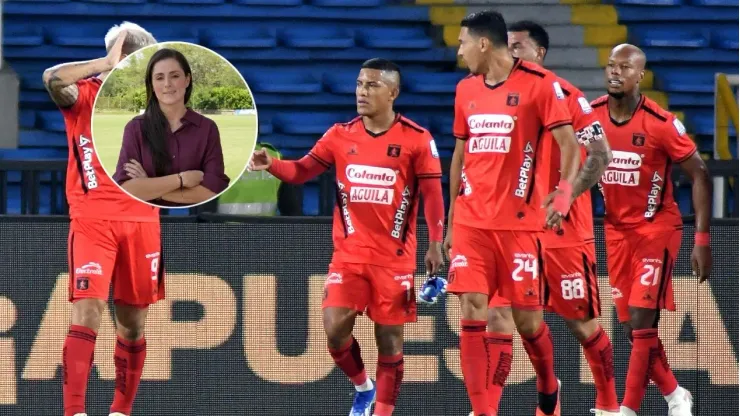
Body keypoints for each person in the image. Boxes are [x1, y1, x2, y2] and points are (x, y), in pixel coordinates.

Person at [249, 58, 445, 416]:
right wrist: (272, 164)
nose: (361, 91)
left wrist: (435, 242)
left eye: (371, 85)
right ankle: (363, 388)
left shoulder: (417, 139)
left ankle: (383, 411)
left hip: (394, 258)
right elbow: (302, 170)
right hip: (349, 255)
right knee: (334, 327)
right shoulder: (340, 135)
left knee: (389, 341)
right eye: (358, 84)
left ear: (393, 92)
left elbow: (433, 196)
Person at [454, 20, 620, 416]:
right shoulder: (485, 92)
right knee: (497, 314)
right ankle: (488, 408)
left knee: (581, 323)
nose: (510, 54)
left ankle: (610, 405)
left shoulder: (566, 95)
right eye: (506, 46)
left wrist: (566, 196)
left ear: (539, 54)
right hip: (506, 224)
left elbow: (600, 155)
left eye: (518, 47)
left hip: (562, 229)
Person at [42, 22, 159, 416]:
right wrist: (103, 63)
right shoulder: (83, 96)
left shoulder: (160, 110)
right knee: (88, 310)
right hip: (93, 219)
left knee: (132, 323)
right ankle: (74, 411)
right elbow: (51, 77)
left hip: (144, 222)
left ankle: (120, 412)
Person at [592, 43, 712, 416]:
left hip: (655, 230)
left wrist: (702, 240)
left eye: (624, 68)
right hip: (615, 232)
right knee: (633, 330)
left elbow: (700, 174)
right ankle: (676, 394)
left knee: (643, 320)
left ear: (639, 75)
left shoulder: (661, 123)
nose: (615, 72)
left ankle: (624, 410)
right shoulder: (590, 117)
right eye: (611, 65)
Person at [113, 48, 230, 207]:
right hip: (146, 224)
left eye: (174, 76)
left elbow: (211, 191)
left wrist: (149, 186)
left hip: (191, 223)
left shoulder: (207, 128)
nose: (167, 84)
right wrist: (181, 179)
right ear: (152, 84)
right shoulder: (135, 129)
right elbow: (127, 188)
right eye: (159, 78)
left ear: (187, 80)